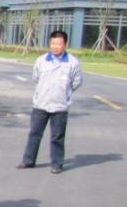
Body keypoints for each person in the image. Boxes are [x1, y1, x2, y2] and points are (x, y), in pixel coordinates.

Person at [16, 30, 83, 174]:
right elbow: (35, 79)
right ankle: (28, 160)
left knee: (57, 137)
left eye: (58, 44)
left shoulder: (72, 62)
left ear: (65, 44)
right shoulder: (41, 60)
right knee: (34, 133)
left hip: (60, 105)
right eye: (53, 43)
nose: (55, 46)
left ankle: (57, 164)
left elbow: (76, 82)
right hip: (41, 104)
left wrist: (64, 93)